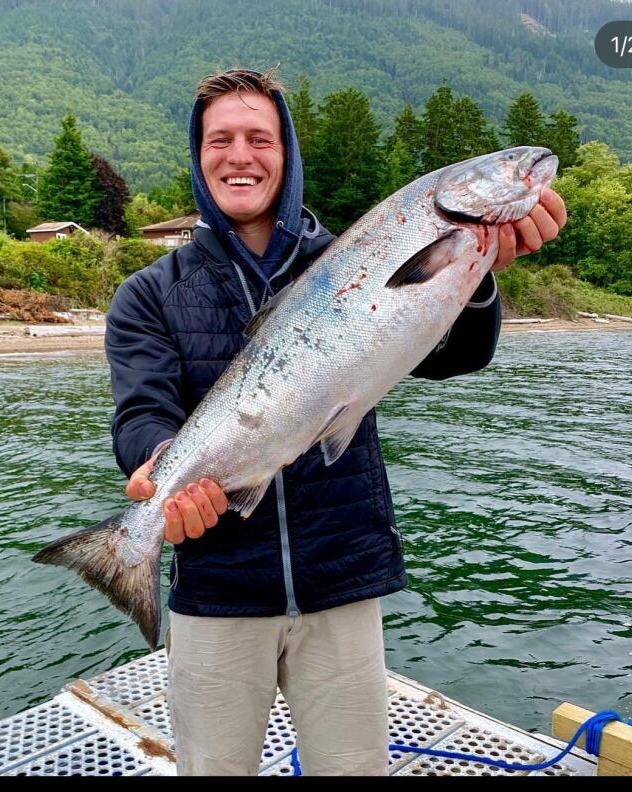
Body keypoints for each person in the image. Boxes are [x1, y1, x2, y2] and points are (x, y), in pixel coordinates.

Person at [105, 68, 567, 776]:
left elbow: (454, 357)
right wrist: (161, 462)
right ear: (198, 158)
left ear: (285, 154)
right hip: (217, 588)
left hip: (342, 577)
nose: (240, 155)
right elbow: (141, 413)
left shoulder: (348, 254)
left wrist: (478, 275)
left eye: (260, 138)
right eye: (220, 139)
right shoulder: (149, 295)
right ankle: (120, 552)